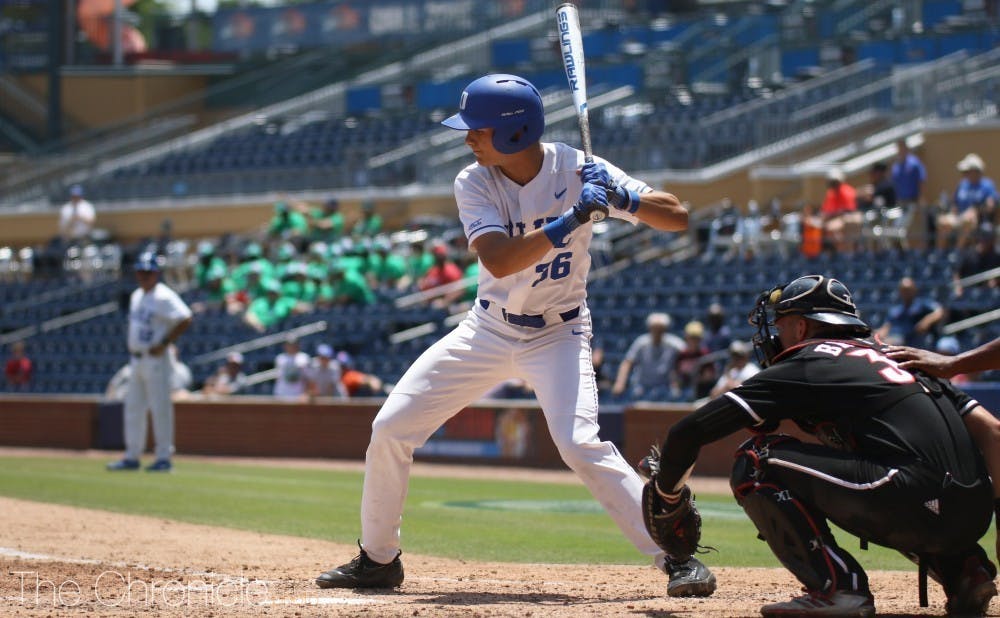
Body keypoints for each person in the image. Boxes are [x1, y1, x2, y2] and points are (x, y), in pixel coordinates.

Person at [315, 73, 716, 596]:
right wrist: (571, 217)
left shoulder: (579, 168)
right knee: (391, 427)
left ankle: (675, 557)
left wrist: (625, 198)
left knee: (578, 444)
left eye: (476, 130)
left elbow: (679, 217)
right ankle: (378, 560)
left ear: (510, 133)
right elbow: (500, 261)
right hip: (487, 330)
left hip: (560, 334)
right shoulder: (474, 181)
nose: (467, 139)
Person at [643, 274, 996, 616]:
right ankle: (965, 570)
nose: (776, 335)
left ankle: (837, 588)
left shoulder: (811, 359)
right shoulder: (903, 360)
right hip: (972, 516)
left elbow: (687, 432)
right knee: (888, 463)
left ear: (802, 327)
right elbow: (992, 432)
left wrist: (668, 495)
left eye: (781, 325)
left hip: (910, 497)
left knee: (756, 460)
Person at [107, 253, 193, 472]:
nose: (144, 276)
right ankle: (132, 456)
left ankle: (164, 457)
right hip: (136, 359)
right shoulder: (137, 295)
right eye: (141, 272)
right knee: (133, 408)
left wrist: (164, 342)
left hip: (156, 359)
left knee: (160, 408)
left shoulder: (164, 295)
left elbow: (185, 317)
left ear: (156, 273)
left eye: (148, 272)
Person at [612, 312, 684, 400]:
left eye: (660, 329)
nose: (657, 332)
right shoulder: (641, 343)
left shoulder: (674, 344)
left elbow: (688, 355)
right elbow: (627, 362)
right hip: (642, 385)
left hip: (665, 385)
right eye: (655, 329)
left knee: (675, 395)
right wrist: (620, 383)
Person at [938, 154, 999, 251]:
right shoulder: (963, 184)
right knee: (943, 221)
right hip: (959, 217)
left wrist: (977, 209)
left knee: (968, 219)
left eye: (967, 172)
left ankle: (957, 252)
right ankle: (940, 253)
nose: (965, 174)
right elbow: (955, 204)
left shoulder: (987, 185)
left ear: (976, 171)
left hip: (977, 220)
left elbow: (990, 206)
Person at [876, 276, 945, 347]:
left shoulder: (922, 304)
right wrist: (878, 334)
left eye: (908, 290)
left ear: (914, 289)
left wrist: (927, 320)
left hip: (912, 340)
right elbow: (886, 327)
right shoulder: (895, 310)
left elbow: (939, 312)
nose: (907, 293)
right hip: (893, 338)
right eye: (904, 290)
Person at [953, 224, 1000, 299]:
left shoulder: (996, 256)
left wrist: (994, 282)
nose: (985, 241)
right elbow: (957, 272)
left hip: (987, 293)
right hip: (967, 291)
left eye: (988, 238)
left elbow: (995, 278)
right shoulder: (968, 254)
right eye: (984, 238)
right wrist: (958, 287)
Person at [821, 168, 862, 254]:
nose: (834, 184)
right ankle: (839, 252)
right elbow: (826, 210)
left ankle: (844, 252)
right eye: (832, 182)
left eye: (835, 182)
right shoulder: (831, 193)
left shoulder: (846, 191)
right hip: (837, 219)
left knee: (832, 228)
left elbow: (849, 210)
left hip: (849, 218)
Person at [273, 337, 310, 401]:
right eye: (289, 344)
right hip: (281, 395)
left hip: (298, 396)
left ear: (297, 345)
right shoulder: (280, 358)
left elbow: (308, 378)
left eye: (293, 344)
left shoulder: (303, 358)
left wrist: (305, 393)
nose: (291, 347)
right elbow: (278, 377)